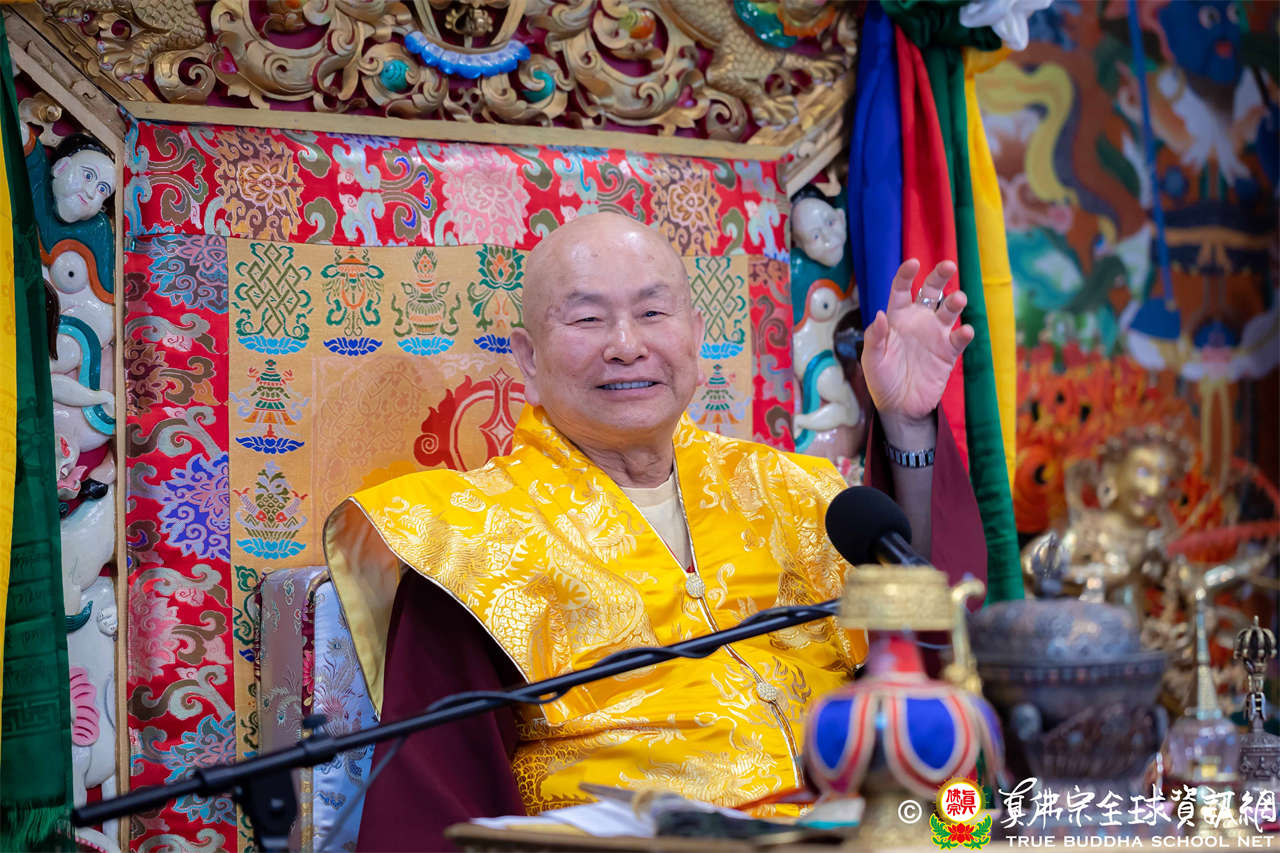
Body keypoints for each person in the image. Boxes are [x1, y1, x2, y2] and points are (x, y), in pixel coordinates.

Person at [324, 212, 986, 850]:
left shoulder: (796, 492)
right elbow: (434, 806)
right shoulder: (468, 538)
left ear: (695, 335)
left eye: (652, 312)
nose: (626, 344)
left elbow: (930, 654)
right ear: (528, 357)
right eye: (588, 318)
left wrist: (906, 427)